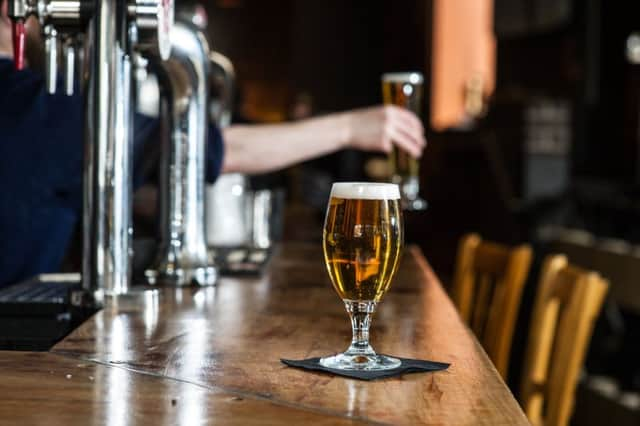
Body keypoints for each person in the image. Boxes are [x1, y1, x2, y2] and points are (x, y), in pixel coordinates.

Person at [0, 1, 426, 288]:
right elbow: (209, 149)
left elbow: (119, 187)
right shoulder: (34, 106)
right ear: (13, 11)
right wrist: (352, 128)